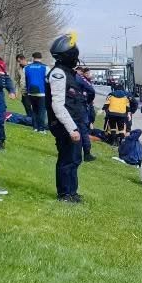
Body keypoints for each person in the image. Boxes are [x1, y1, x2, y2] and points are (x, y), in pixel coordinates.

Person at [45, 33, 88, 203]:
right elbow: (58, 105)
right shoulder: (59, 74)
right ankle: (65, 194)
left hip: (72, 123)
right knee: (67, 159)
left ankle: (72, 192)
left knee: (75, 158)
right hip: (65, 124)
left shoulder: (68, 73)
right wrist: (72, 128)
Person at [23, 52, 48, 132]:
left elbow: (24, 81)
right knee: (42, 110)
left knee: (34, 110)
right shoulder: (46, 67)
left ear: (33, 58)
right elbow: (47, 80)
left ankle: (35, 127)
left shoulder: (26, 67)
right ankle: (41, 129)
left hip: (30, 92)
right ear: (41, 58)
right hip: (42, 92)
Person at [76, 66, 97, 162]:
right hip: (82, 108)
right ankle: (86, 154)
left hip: (73, 108)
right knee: (83, 131)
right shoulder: (82, 81)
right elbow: (91, 91)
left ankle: (76, 152)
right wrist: (88, 102)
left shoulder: (70, 78)